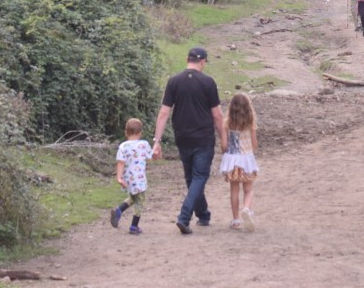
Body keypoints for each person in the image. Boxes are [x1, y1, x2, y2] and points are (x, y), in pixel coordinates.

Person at [153, 46, 227, 235]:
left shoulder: (174, 81)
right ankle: (184, 217)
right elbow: (217, 115)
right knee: (199, 177)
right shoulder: (208, 82)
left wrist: (157, 141)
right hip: (203, 137)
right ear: (202, 61)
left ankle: (203, 215)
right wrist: (224, 138)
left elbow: (163, 113)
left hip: (182, 136)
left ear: (188, 59)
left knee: (191, 178)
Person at [219, 92, 259, 231]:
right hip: (247, 159)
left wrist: (226, 149)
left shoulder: (226, 123)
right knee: (248, 189)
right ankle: (247, 209)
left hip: (233, 160)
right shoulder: (250, 123)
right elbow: (255, 144)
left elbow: (224, 145)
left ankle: (235, 220)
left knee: (234, 190)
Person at [109, 118, 152, 234]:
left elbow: (120, 162)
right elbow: (152, 157)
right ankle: (134, 226)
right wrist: (157, 151)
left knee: (134, 198)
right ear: (140, 133)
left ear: (125, 132)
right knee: (140, 200)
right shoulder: (144, 144)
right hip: (139, 179)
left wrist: (119, 178)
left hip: (129, 179)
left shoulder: (123, 146)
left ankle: (119, 210)